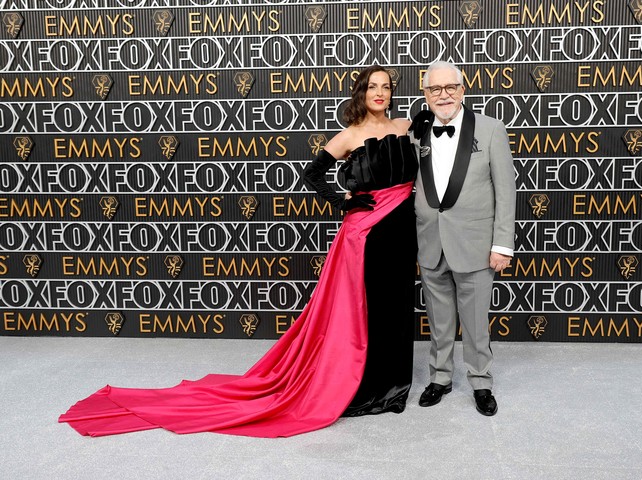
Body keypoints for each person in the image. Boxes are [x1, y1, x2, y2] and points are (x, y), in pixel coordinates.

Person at [58, 65, 417, 438]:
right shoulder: (349, 135)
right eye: (372, 86)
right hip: (365, 234)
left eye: (386, 87)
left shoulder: (406, 127)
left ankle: (395, 388)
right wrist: (343, 201)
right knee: (367, 310)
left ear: (392, 92)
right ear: (360, 93)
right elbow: (312, 175)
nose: (380, 92)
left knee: (397, 304)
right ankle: (370, 388)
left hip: (403, 228)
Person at [409, 61, 516, 416]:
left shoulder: (489, 129)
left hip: (475, 244)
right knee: (438, 320)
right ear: (425, 95)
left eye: (450, 87)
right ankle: (439, 377)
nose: (444, 95)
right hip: (431, 244)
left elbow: (506, 189)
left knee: (474, 320)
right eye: (435, 89)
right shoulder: (417, 133)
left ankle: (481, 381)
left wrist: (502, 244)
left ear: (463, 89)